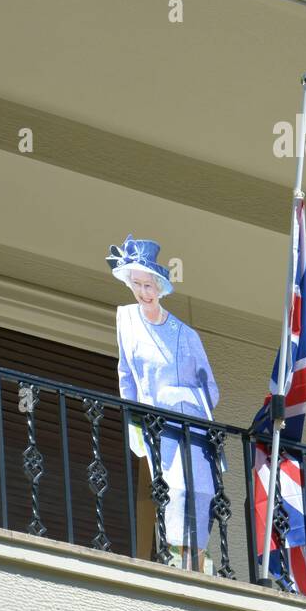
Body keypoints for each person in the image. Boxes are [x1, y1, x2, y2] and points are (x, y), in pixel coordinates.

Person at [106, 234, 220, 571]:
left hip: (189, 423)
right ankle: (174, 556)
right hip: (156, 424)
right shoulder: (126, 321)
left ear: (160, 286)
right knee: (172, 489)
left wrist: (180, 396)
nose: (143, 292)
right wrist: (134, 420)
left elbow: (209, 389)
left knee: (199, 490)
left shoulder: (185, 335)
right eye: (137, 284)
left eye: (148, 285)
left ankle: (197, 562)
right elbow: (127, 375)